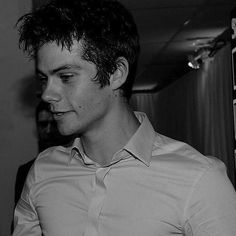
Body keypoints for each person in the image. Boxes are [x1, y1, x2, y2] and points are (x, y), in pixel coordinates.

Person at [13, 0, 236, 235]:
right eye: (43, 79)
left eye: (66, 76)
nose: (47, 94)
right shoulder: (43, 171)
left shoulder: (199, 179)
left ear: (116, 74)